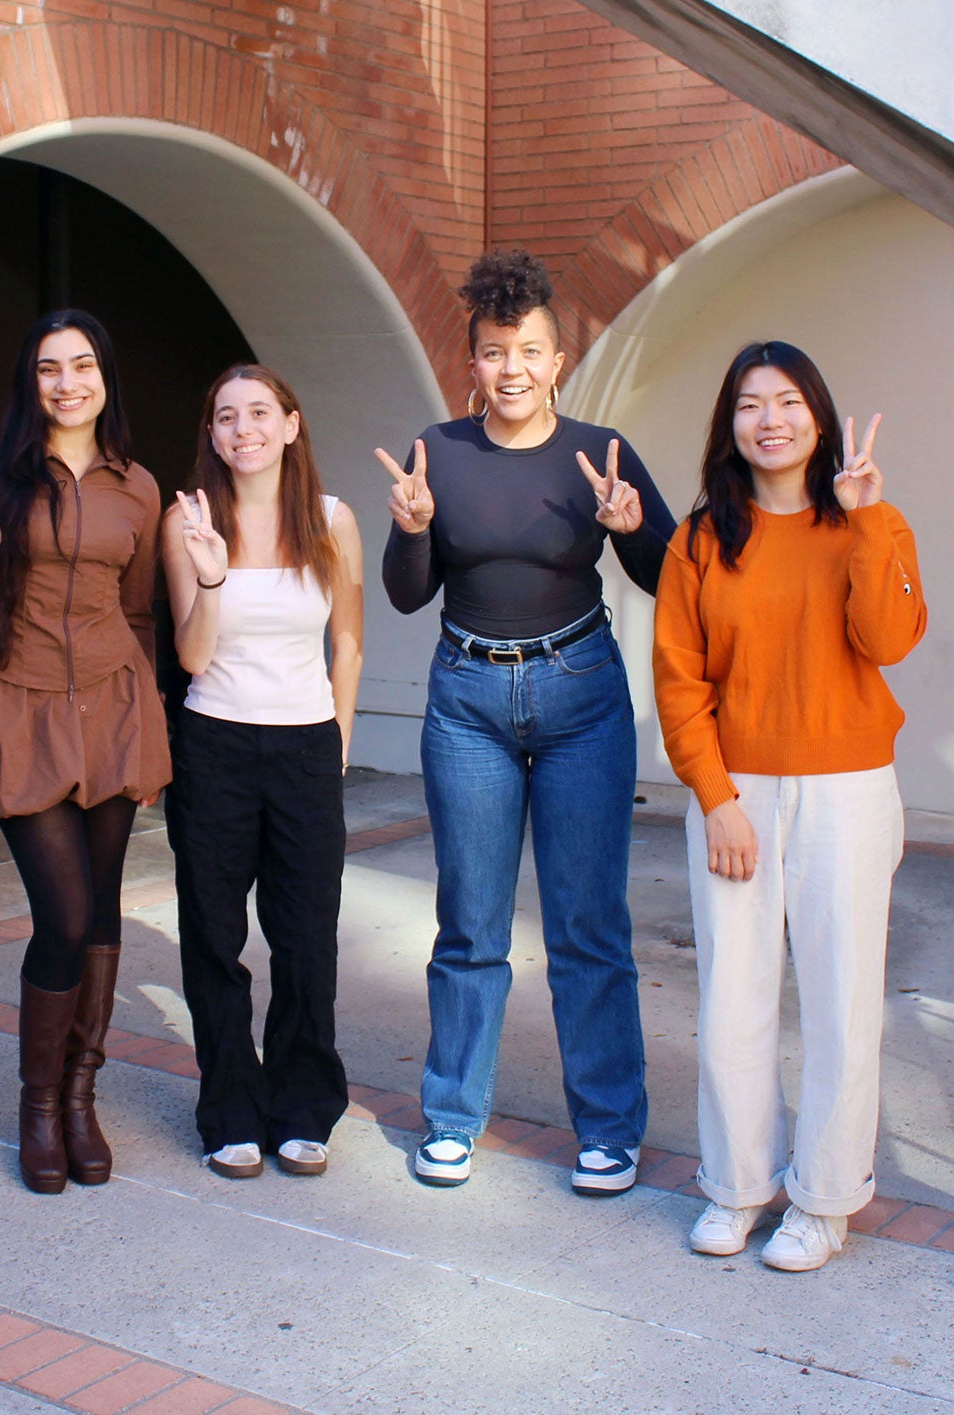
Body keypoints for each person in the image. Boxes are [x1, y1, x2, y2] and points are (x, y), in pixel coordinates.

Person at [378, 248, 677, 1196]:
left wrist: (632, 525)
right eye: (494, 352)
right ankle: (455, 1116)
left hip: (581, 696)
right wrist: (414, 526)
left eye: (530, 351)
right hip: (467, 699)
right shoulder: (440, 452)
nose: (511, 369)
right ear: (473, 362)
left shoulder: (601, 450)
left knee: (590, 924)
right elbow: (403, 594)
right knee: (469, 923)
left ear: (559, 360)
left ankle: (609, 1127)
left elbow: (671, 576)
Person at [653, 342, 925, 1272]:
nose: (769, 419)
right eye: (749, 404)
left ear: (820, 415)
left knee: (843, 1000)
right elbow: (680, 681)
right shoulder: (700, 539)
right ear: (728, 425)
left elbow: (888, 638)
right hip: (737, 794)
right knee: (733, 996)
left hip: (849, 790)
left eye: (788, 401)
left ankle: (824, 1196)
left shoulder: (868, 521)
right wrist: (718, 797)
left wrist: (869, 520)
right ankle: (736, 1186)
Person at [0, 311, 170, 1195]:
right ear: (29, 383)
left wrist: (144, 717)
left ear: (105, 375)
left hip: (111, 705)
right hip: (20, 706)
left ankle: (80, 1097)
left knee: (101, 907)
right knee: (62, 915)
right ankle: (37, 1104)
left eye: (82, 366)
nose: (67, 383)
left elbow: (139, 611)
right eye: (48, 369)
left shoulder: (136, 484)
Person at [162, 364, 365, 1180]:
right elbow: (191, 654)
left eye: (257, 413)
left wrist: (339, 738)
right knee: (214, 937)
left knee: (307, 940)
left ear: (290, 424)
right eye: (224, 418)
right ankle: (230, 1112)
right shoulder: (190, 523)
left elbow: (347, 642)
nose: (241, 429)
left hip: (306, 745)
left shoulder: (332, 520)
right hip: (213, 746)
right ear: (212, 435)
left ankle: (303, 1107)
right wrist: (211, 573)